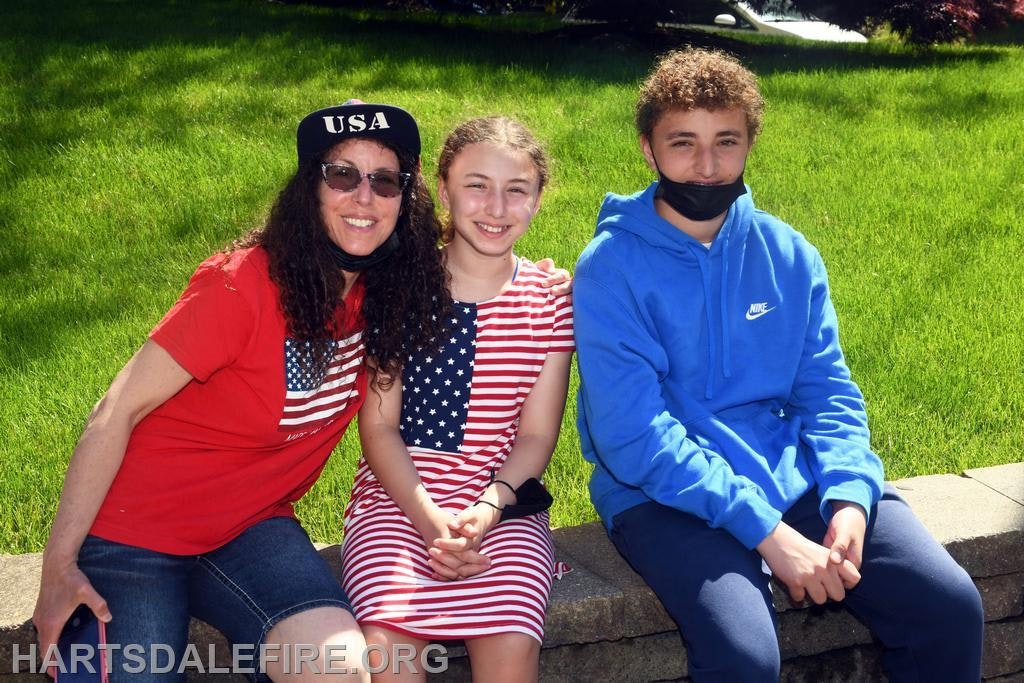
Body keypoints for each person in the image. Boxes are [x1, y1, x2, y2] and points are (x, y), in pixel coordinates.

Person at [31, 100, 498, 682]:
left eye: (384, 180)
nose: (364, 197)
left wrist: (558, 283)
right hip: (132, 534)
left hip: (252, 528)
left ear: (406, 199)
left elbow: (482, 263)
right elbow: (116, 409)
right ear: (310, 188)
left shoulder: (390, 289)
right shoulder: (240, 286)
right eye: (342, 175)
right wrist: (59, 565)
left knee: (341, 670)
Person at [573, 49, 984, 681]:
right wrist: (767, 533)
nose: (706, 167)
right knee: (744, 657)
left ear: (749, 145)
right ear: (648, 151)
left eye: (726, 142)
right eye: (683, 143)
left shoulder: (789, 254)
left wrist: (848, 497)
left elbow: (829, 393)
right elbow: (632, 439)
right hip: (663, 495)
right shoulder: (610, 269)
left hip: (789, 475)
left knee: (950, 607)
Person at [341, 116, 574, 683]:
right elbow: (379, 430)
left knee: (512, 645)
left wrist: (489, 508)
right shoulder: (399, 288)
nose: (495, 207)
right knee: (389, 647)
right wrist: (428, 521)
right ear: (443, 190)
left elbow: (538, 436)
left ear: (538, 200)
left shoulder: (549, 304)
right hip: (399, 502)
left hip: (501, 505)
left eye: (516, 190)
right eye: (476, 185)